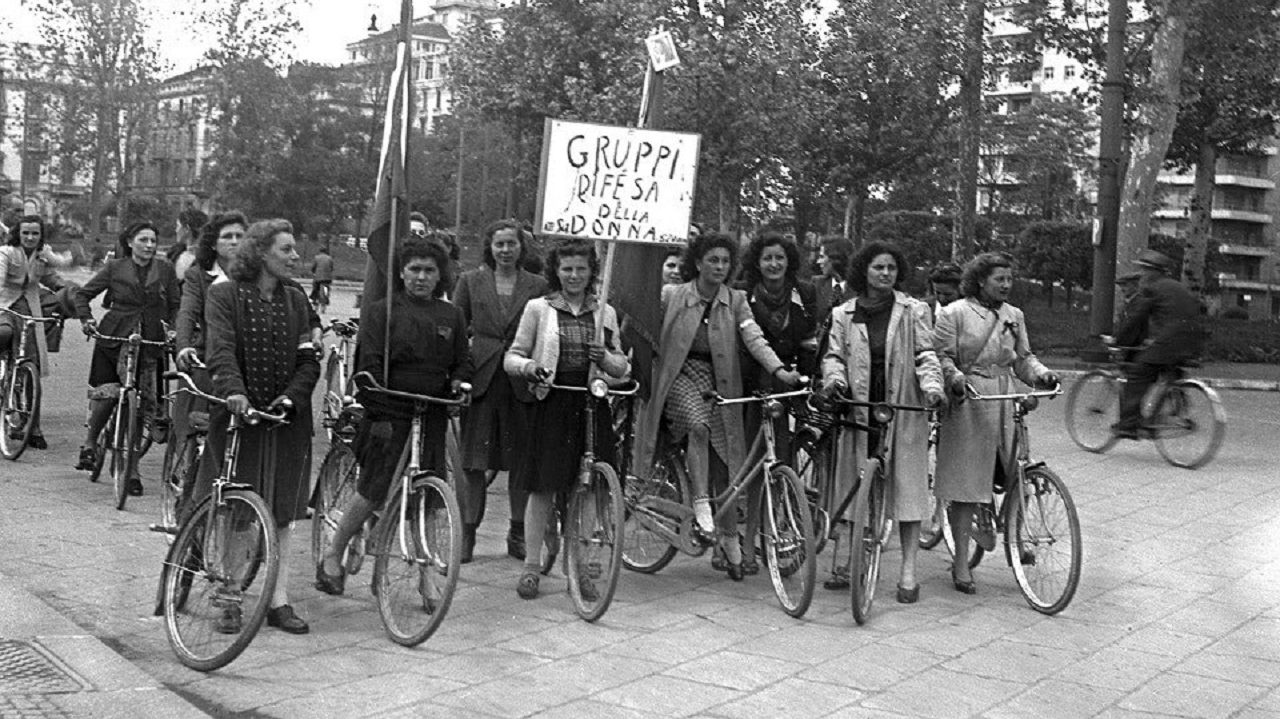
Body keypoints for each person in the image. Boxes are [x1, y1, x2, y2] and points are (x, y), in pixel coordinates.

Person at [634, 232, 801, 580]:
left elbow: (753, 336)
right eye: (713, 260)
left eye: (726, 262)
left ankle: (728, 539)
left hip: (719, 380)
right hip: (677, 376)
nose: (720, 267)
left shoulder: (736, 300)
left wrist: (779, 370)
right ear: (697, 262)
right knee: (697, 426)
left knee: (726, 459)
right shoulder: (673, 295)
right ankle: (700, 503)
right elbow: (639, 324)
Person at [316, 238, 471, 595]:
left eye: (429, 270)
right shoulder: (382, 311)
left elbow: (463, 360)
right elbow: (366, 364)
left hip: (431, 411)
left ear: (440, 275)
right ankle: (334, 552)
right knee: (375, 487)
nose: (421, 277)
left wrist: (461, 381)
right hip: (389, 409)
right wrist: (378, 403)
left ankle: (425, 573)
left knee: (429, 495)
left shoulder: (452, 316)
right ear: (401, 272)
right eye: (414, 269)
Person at [200, 218, 319, 634]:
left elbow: (308, 358)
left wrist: (294, 397)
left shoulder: (296, 300)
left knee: (283, 510)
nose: (295, 256)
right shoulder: (224, 295)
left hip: (286, 420)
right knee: (237, 508)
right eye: (286, 249)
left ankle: (278, 598)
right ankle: (228, 595)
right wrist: (235, 393)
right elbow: (221, 350)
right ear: (261, 252)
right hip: (240, 418)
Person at [503, 239, 628, 599]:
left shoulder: (604, 312)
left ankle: (579, 565)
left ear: (592, 272)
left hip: (591, 404)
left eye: (581, 269)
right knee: (543, 487)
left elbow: (621, 368)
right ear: (556, 271)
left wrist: (604, 359)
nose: (574, 275)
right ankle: (530, 566)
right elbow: (512, 357)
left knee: (588, 490)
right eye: (567, 268)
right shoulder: (539, 309)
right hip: (553, 402)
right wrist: (531, 367)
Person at [820, 241, 944, 602]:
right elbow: (833, 356)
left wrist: (932, 388)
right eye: (878, 267)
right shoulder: (844, 313)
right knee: (853, 483)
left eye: (891, 267)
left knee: (907, 488)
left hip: (901, 406)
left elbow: (925, 354)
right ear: (864, 271)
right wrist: (835, 381)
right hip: (858, 405)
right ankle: (847, 561)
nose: (885, 274)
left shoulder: (913, 310)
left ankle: (908, 571)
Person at [933, 252, 1057, 594]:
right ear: (980, 280)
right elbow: (940, 356)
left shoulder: (1014, 315)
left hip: (1003, 396)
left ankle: (1018, 537)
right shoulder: (954, 313)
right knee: (967, 483)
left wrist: (1042, 375)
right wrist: (955, 378)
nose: (1006, 284)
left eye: (1009, 278)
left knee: (1016, 469)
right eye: (999, 278)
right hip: (970, 398)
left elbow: (1023, 359)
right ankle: (961, 562)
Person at [452, 220, 549, 562]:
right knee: (474, 462)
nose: (505, 250)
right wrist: (460, 373)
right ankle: (467, 533)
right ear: (489, 248)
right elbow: (455, 328)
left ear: (522, 247)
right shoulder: (470, 281)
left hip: (521, 382)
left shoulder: (538, 286)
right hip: (482, 381)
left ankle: (517, 531)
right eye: (499, 244)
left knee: (522, 462)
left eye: (511, 244)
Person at [731, 231, 817, 575]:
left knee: (778, 463)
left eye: (780, 258)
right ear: (757, 262)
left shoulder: (805, 293)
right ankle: (744, 542)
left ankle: (772, 535)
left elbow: (809, 341)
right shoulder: (742, 294)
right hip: (747, 384)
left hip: (786, 387)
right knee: (748, 467)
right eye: (767, 258)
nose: (774, 264)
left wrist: (805, 382)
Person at [73, 222, 180, 494]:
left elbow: (176, 305)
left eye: (153, 240)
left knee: (141, 406)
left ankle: (132, 469)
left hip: (150, 342)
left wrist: (175, 328)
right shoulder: (115, 267)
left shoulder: (165, 270)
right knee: (108, 395)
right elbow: (83, 294)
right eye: (143, 240)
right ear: (130, 242)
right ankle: (90, 442)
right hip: (114, 337)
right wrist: (86, 319)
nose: (149, 245)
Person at [1111, 249, 1204, 439]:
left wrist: (1118, 341)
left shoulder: (1152, 288)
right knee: (1168, 374)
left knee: (1137, 375)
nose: (1142, 274)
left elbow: (1136, 319)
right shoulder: (1178, 287)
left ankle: (1128, 425)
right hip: (1193, 343)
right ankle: (1159, 416)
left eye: (1145, 270)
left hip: (1169, 342)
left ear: (1154, 272)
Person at [0, 216, 74, 449]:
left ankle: (35, 428)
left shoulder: (43, 254)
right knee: (3, 333)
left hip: (31, 308)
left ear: (41, 235)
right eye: (26, 233)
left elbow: (51, 274)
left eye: (35, 233)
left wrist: (63, 287)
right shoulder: (6, 252)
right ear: (18, 234)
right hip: (4, 304)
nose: (30, 238)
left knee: (33, 365)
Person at [168, 208, 208, 280]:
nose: (176, 230)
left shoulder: (208, 258)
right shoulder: (173, 253)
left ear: (187, 228)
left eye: (178, 226)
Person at [309, 245, 334, 312]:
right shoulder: (329, 258)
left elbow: (313, 267)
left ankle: (315, 302)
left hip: (318, 278)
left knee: (315, 289)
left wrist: (313, 272)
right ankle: (324, 303)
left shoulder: (316, 258)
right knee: (326, 290)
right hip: (327, 278)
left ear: (319, 251)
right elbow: (331, 268)